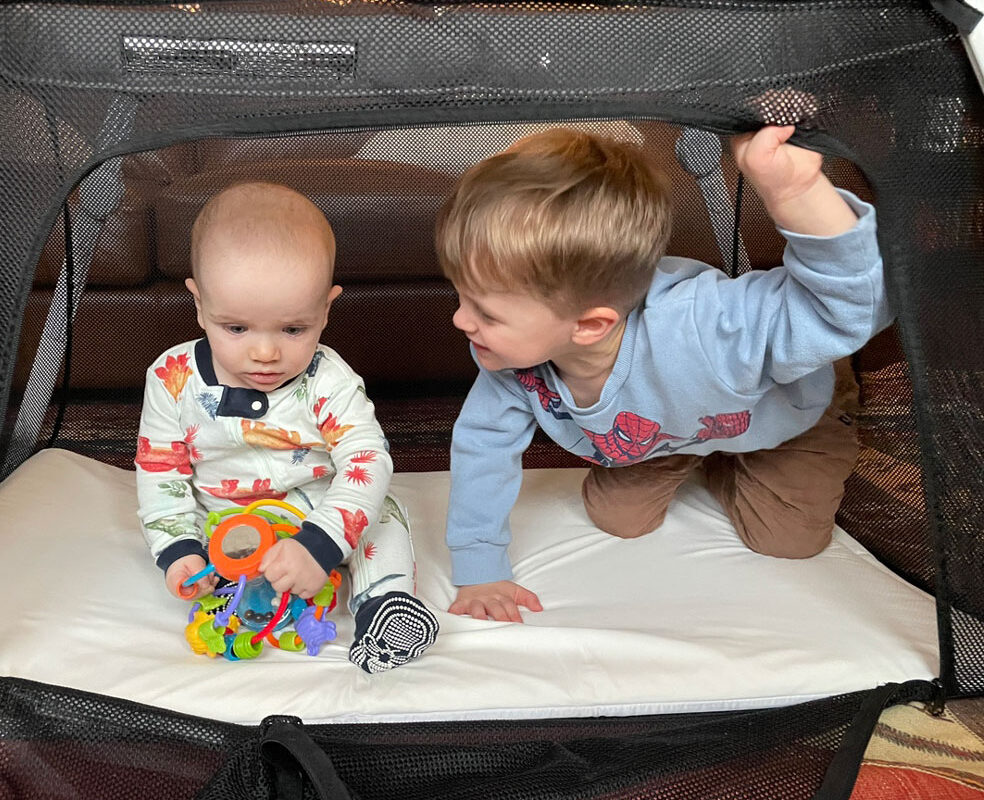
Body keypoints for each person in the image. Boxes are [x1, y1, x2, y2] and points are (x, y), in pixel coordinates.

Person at [437, 125, 890, 623]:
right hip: (663, 433)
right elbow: (483, 446)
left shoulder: (705, 326)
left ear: (589, 325)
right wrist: (479, 567)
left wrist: (796, 194)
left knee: (789, 541)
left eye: (487, 313)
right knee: (618, 519)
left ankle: (733, 449)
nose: (459, 320)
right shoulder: (513, 368)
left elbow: (848, 311)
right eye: (461, 296)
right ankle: (704, 449)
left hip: (781, 412)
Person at [135, 181, 438, 672]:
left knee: (384, 512)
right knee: (221, 566)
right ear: (198, 304)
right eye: (236, 328)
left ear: (325, 308)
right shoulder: (172, 379)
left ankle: (382, 608)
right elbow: (160, 471)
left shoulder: (329, 379)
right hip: (226, 526)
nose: (265, 353)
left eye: (293, 329)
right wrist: (178, 550)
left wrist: (321, 542)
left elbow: (366, 459)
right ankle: (240, 589)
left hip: (316, 510)